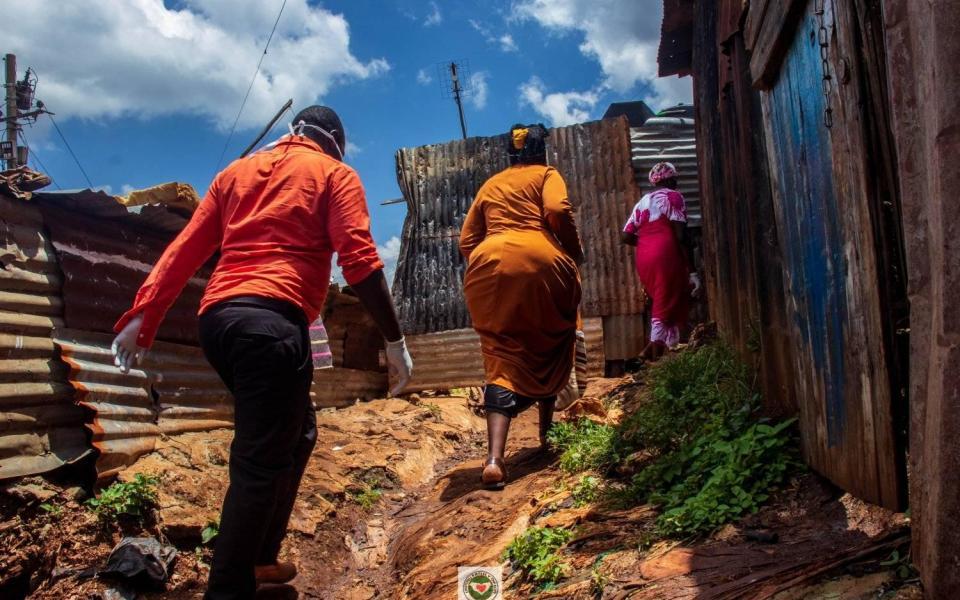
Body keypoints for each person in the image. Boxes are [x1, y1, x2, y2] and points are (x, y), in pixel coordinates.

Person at [110, 106, 413, 599]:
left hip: (220, 324)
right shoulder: (335, 174)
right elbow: (359, 261)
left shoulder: (235, 173)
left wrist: (144, 315)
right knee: (260, 460)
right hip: (272, 325)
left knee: (300, 433)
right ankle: (230, 587)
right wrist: (395, 342)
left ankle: (261, 558)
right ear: (335, 140)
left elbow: (186, 247)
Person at [460, 123, 583, 489]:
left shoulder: (490, 185)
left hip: (487, 265)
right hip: (540, 258)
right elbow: (558, 210)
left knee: (500, 354)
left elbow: (467, 240)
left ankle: (495, 460)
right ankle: (548, 434)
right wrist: (571, 252)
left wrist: (490, 261)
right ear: (540, 152)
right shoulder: (547, 174)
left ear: (510, 155)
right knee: (553, 338)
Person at [621, 161, 701, 361]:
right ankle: (651, 352)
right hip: (666, 252)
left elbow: (625, 236)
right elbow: (681, 236)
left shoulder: (643, 202)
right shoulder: (673, 197)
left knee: (668, 295)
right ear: (670, 179)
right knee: (667, 298)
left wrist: (647, 242)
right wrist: (693, 271)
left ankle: (670, 347)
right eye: (675, 178)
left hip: (645, 256)